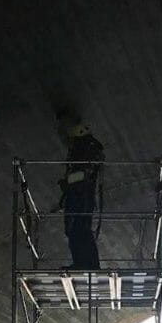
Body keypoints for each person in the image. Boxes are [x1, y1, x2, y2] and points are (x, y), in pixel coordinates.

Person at [56, 109, 104, 270]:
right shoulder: (87, 150)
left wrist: (67, 184)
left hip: (80, 193)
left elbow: (82, 175)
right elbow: (82, 174)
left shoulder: (85, 151)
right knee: (78, 230)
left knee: (76, 230)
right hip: (80, 194)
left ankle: (85, 264)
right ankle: (86, 265)